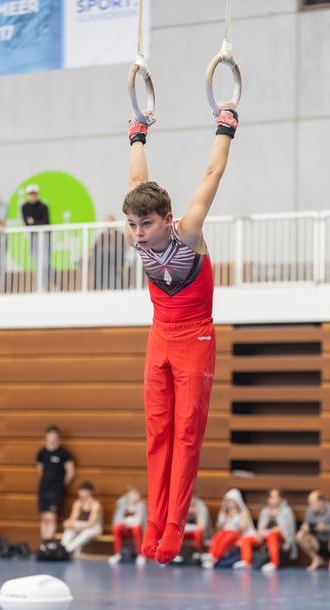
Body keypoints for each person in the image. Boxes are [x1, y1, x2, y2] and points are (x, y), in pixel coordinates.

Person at [124, 102, 238, 564]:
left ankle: (174, 526)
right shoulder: (139, 216)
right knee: (157, 431)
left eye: (146, 225)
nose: (137, 234)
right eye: (131, 225)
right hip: (160, 335)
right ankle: (153, 521)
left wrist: (225, 126)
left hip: (195, 338)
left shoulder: (188, 232)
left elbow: (211, 175)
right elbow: (137, 181)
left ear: (167, 220)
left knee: (187, 433)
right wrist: (138, 133)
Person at [238, 489, 297, 573]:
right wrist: (260, 533)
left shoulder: (286, 511)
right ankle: (246, 561)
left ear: (280, 499)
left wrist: (276, 517)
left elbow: (287, 530)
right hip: (265, 536)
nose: (273, 500)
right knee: (246, 539)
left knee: (271, 534)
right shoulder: (265, 511)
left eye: (275, 497)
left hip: (280, 537)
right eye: (271, 497)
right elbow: (261, 527)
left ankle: (274, 563)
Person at [36, 425, 75, 542]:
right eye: (50, 435)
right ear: (46, 437)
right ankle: (44, 543)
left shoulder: (64, 453)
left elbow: (71, 472)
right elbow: (40, 470)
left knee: (51, 517)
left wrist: (61, 485)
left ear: (58, 437)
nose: (52, 438)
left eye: (54, 436)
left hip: (56, 489)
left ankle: (49, 542)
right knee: (44, 517)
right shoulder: (42, 453)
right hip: (44, 488)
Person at [202, 489, 256, 569]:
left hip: (238, 534)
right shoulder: (224, 512)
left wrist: (233, 522)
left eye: (232, 501)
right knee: (218, 535)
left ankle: (215, 558)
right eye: (228, 501)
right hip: (226, 533)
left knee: (228, 537)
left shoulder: (243, 512)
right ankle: (211, 555)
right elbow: (219, 527)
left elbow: (242, 528)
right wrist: (223, 516)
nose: (230, 503)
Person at [296, 490, 330, 573]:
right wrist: (304, 529)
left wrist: (325, 528)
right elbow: (305, 526)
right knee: (299, 536)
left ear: (321, 502)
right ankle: (316, 559)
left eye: (313, 503)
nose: (310, 505)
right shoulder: (309, 511)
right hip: (316, 540)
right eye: (309, 503)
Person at [61, 482, 103, 556]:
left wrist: (78, 526)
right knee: (69, 529)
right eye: (81, 491)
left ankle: (68, 549)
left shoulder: (95, 504)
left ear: (90, 492)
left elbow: (91, 523)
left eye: (84, 491)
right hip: (82, 525)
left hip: (94, 527)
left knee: (85, 533)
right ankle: (62, 547)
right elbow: (73, 518)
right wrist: (67, 523)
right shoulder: (77, 503)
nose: (82, 493)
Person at [21, 184, 51, 287]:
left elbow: (46, 222)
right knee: (37, 262)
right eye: (30, 194)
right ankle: (41, 286)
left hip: (45, 236)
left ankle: (49, 283)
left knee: (46, 262)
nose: (32, 196)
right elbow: (26, 222)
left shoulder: (43, 206)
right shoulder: (24, 207)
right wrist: (36, 223)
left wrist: (33, 222)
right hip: (34, 237)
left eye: (34, 194)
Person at [108, 487, 147, 566]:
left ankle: (140, 555)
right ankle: (117, 554)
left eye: (135, 495)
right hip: (124, 528)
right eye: (131, 495)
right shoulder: (123, 505)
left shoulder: (141, 506)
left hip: (136, 529)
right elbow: (117, 520)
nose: (133, 497)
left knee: (136, 528)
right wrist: (125, 522)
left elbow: (140, 521)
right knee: (116, 528)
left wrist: (130, 523)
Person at [90, 215, 127, 290]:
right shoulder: (102, 236)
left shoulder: (119, 235)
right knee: (101, 261)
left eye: (108, 221)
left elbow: (122, 249)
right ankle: (116, 286)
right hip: (103, 260)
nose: (107, 224)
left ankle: (97, 287)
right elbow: (94, 249)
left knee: (103, 254)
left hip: (117, 257)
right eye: (105, 222)